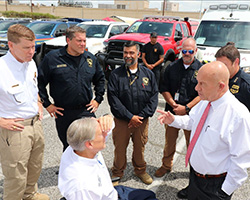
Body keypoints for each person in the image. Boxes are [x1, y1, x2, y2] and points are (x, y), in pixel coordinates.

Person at [158, 61, 250, 200]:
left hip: (215, 186)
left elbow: (241, 161)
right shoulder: (205, 101)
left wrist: (225, 191)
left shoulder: (238, 116)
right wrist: (174, 120)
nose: (196, 88)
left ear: (221, 86)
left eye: (202, 84)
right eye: (198, 82)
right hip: (195, 178)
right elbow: (193, 122)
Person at [0, 24, 49, 200]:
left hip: (35, 124)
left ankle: (30, 195)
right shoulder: (1, 68)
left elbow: (33, 87)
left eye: (33, 46)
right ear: (11, 45)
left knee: (35, 166)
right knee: (16, 174)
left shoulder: (30, 64)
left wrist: (38, 102)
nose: (32, 51)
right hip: (14, 128)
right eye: (26, 47)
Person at [38, 26, 105, 151]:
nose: (83, 44)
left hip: (85, 111)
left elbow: (100, 80)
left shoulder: (90, 58)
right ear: (68, 40)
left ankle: (87, 170)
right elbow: (39, 83)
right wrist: (47, 104)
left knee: (89, 145)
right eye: (79, 41)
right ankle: (68, 169)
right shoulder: (53, 58)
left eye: (84, 41)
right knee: (69, 146)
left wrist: (98, 99)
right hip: (64, 112)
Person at [58, 116, 157, 200]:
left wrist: (108, 118)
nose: (106, 134)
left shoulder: (78, 145)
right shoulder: (81, 186)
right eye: (102, 134)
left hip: (112, 191)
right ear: (90, 144)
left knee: (150, 195)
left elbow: (109, 126)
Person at [107, 41, 158, 185]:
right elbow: (113, 100)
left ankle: (140, 170)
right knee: (120, 149)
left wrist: (140, 116)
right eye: (125, 53)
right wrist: (130, 117)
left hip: (141, 120)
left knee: (139, 148)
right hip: (122, 121)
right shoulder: (116, 75)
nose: (128, 56)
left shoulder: (148, 74)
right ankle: (117, 173)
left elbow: (153, 98)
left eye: (131, 53)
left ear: (138, 54)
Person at [154, 37, 202, 178]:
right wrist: (172, 103)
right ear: (180, 50)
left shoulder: (201, 69)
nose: (187, 53)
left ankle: (195, 170)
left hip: (191, 114)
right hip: (172, 112)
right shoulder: (171, 67)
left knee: (192, 143)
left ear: (195, 51)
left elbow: (202, 94)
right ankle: (166, 165)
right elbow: (164, 88)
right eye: (184, 50)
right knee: (170, 142)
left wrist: (186, 108)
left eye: (190, 51)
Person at [215, 42, 250, 111]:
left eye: (224, 65)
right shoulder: (217, 80)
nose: (221, 68)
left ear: (236, 62)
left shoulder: (246, 84)